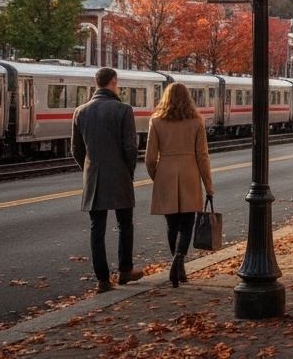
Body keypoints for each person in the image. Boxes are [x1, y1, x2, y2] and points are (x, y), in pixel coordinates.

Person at [71, 67, 143, 293]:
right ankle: (125, 270)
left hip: (94, 176)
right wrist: (129, 171)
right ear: (113, 83)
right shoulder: (123, 110)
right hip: (119, 173)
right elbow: (130, 147)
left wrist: (88, 169)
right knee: (125, 224)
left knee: (97, 229)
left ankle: (103, 279)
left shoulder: (80, 111)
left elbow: (76, 149)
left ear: (97, 83)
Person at [145, 83, 214, 288]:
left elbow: (150, 158)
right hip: (190, 172)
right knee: (187, 224)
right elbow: (202, 156)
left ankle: (177, 262)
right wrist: (208, 186)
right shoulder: (196, 121)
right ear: (188, 98)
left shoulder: (156, 121)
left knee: (172, 224)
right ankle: (179, 260)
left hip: (165, 172)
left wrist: (157, 176)